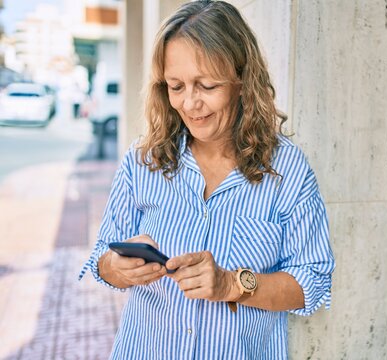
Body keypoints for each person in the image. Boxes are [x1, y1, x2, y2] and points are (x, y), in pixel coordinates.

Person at [80, 1, 335, 358]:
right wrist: (116, 268)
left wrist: (232, 284)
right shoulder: (143, 161)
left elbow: (313, 283)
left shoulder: (287, 169)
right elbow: (100, 262)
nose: (189, 104)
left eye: (207, 85)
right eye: (176, 86)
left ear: (242, 81)